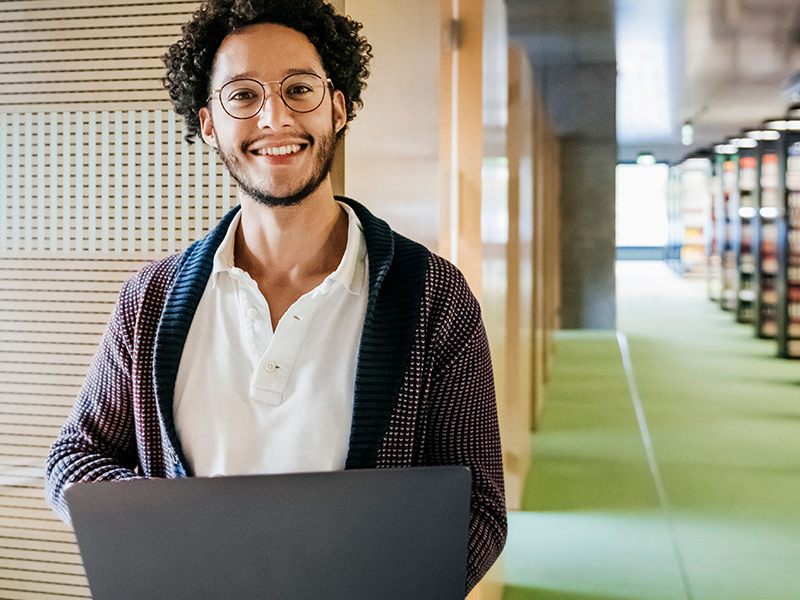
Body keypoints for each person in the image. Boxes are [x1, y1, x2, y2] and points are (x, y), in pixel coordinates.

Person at [44, 0, 506, 591]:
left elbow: (481, 510)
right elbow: (74, 457)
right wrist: (171, 529)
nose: (274, 119)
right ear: (210, 122)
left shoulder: (432, 296)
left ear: (338, 108)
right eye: (243, 95)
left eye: (299, 90)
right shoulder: (150, 299)